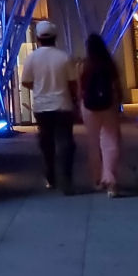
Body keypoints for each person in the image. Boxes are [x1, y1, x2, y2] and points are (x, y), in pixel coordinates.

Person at [19, 18, 77, 192]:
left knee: (46, 143)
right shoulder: (64, 57)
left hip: (42, 106)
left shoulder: (32, 58)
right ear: (55, 37)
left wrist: (38, 87)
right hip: (63, 104)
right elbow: (72, 82)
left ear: (38, 38)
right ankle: (67, 179)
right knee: (66, 142)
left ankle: (50, 177)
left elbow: (25, 81)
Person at [80, 31, 123, 195]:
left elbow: (80, 89)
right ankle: (111, 180)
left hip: (89, 107)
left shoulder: (84, 65)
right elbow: (117, 86)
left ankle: (97, 179)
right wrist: (118, 104)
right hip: (108, 105)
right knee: (111, 141)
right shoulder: (110, 64)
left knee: (94, 143)